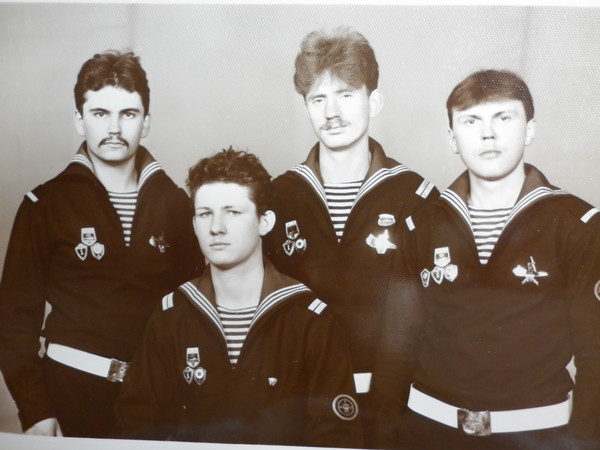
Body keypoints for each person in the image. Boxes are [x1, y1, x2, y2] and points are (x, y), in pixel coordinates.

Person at [375, 69, 600, 449]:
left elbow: (596, 356)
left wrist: (584, 441)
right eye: (471, 121)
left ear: (529, 130)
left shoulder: (577, 226)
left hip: (537, 437)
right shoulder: (421, 225)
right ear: (453, 138)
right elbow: (396, 345)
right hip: (428, 432)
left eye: (503, 118)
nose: (487, 134)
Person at [0, 50, 202, 438]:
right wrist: (36, 409)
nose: (114, 128)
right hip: (69, 396)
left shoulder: (177, 205)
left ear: (146, 123)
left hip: (156, 400)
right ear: (79, 120)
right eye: (99, 113)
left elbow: (194, 308)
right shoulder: (44, 205)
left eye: (128, 114)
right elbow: (14, 321)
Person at [114, 148, 364, 447]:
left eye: (232, 212)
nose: (216, 228)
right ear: (193, 224)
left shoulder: (309, 318)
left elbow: (335, 438)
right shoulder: (172, 314)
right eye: (205, 213)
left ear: (264, 222)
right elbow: (137, 428)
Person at [263, 27, 438, 444]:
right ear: (305, 107)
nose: (332, 112)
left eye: (345, 94)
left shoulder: (415, 197)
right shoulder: (279, 196)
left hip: (391, 406)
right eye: (317, 99)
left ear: (373, 102)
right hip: (296, 402)